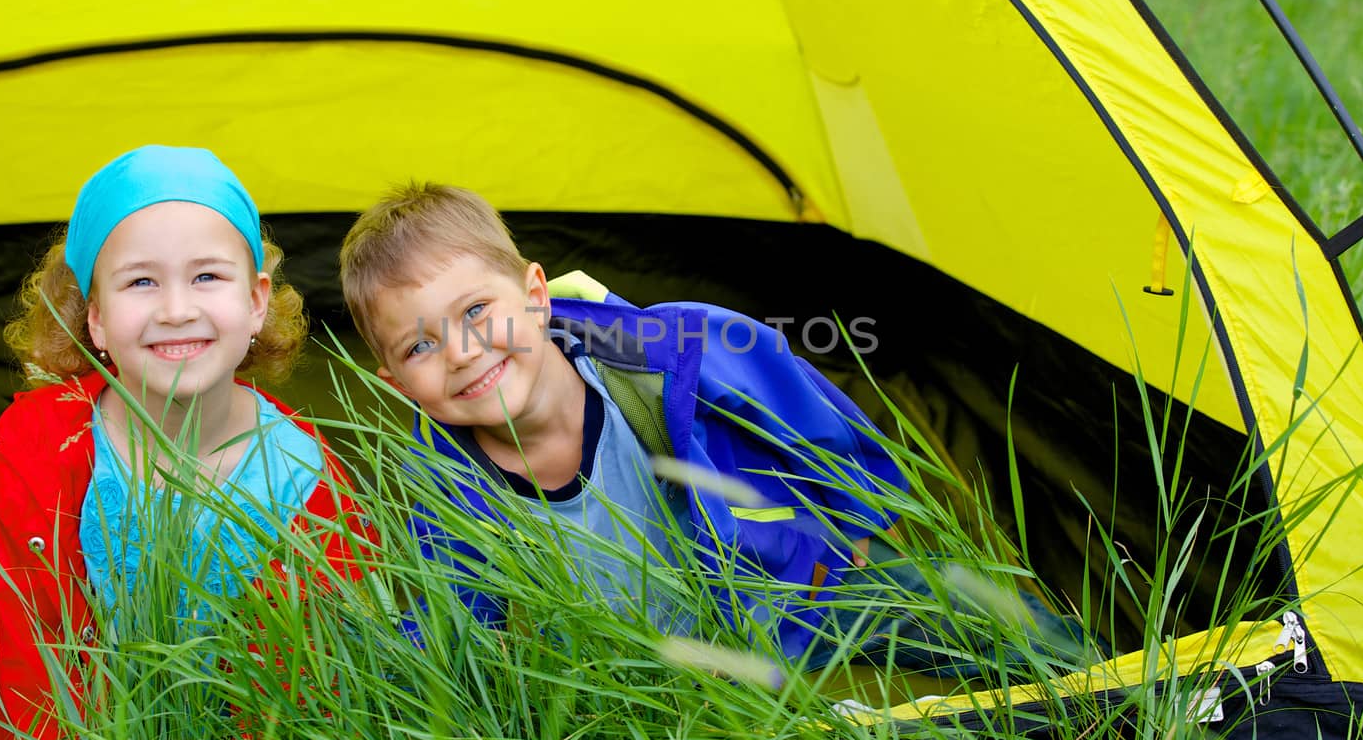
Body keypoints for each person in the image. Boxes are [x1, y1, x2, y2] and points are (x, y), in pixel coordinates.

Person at [338, 182, 1093, 676]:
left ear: (535, 295)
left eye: (475, 312)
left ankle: (1141, 712)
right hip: (642, 686)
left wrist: (845, 542)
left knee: (961, 615)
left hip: (796, 601)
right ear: (396, 383)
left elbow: (821, 429)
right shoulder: (446, 482)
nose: (464, 352)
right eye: (420, 345)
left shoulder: (678, 354)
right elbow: (455, 620)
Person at [0, 145, 371, 740]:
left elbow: (313, 704)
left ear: (256, 303)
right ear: (94, 316)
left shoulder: (313, 489)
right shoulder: (40, 449)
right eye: (140, 282)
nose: (177, 309)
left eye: (207, 277)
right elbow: (34, 667)